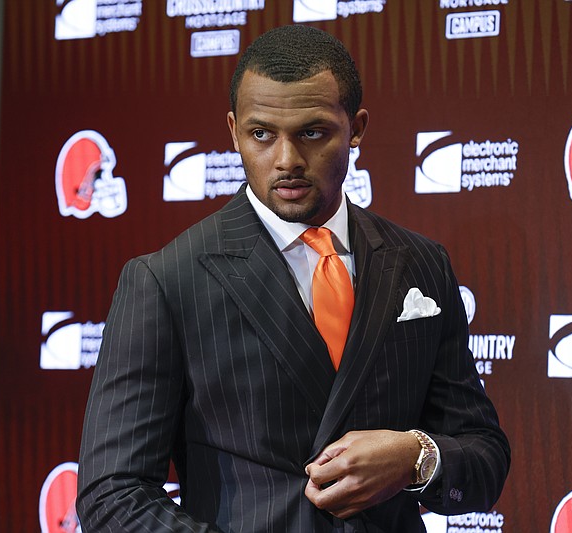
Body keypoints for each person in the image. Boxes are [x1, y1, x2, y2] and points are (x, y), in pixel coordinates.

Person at [77, 25, 510, 532]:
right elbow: (113, 495)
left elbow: (484, 458)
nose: (286, 161)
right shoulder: (166, 280)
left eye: (312, 133)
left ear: (357, 128)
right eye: (262, 134)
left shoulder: (420, 263)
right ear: (234, 131)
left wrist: (415, 458)